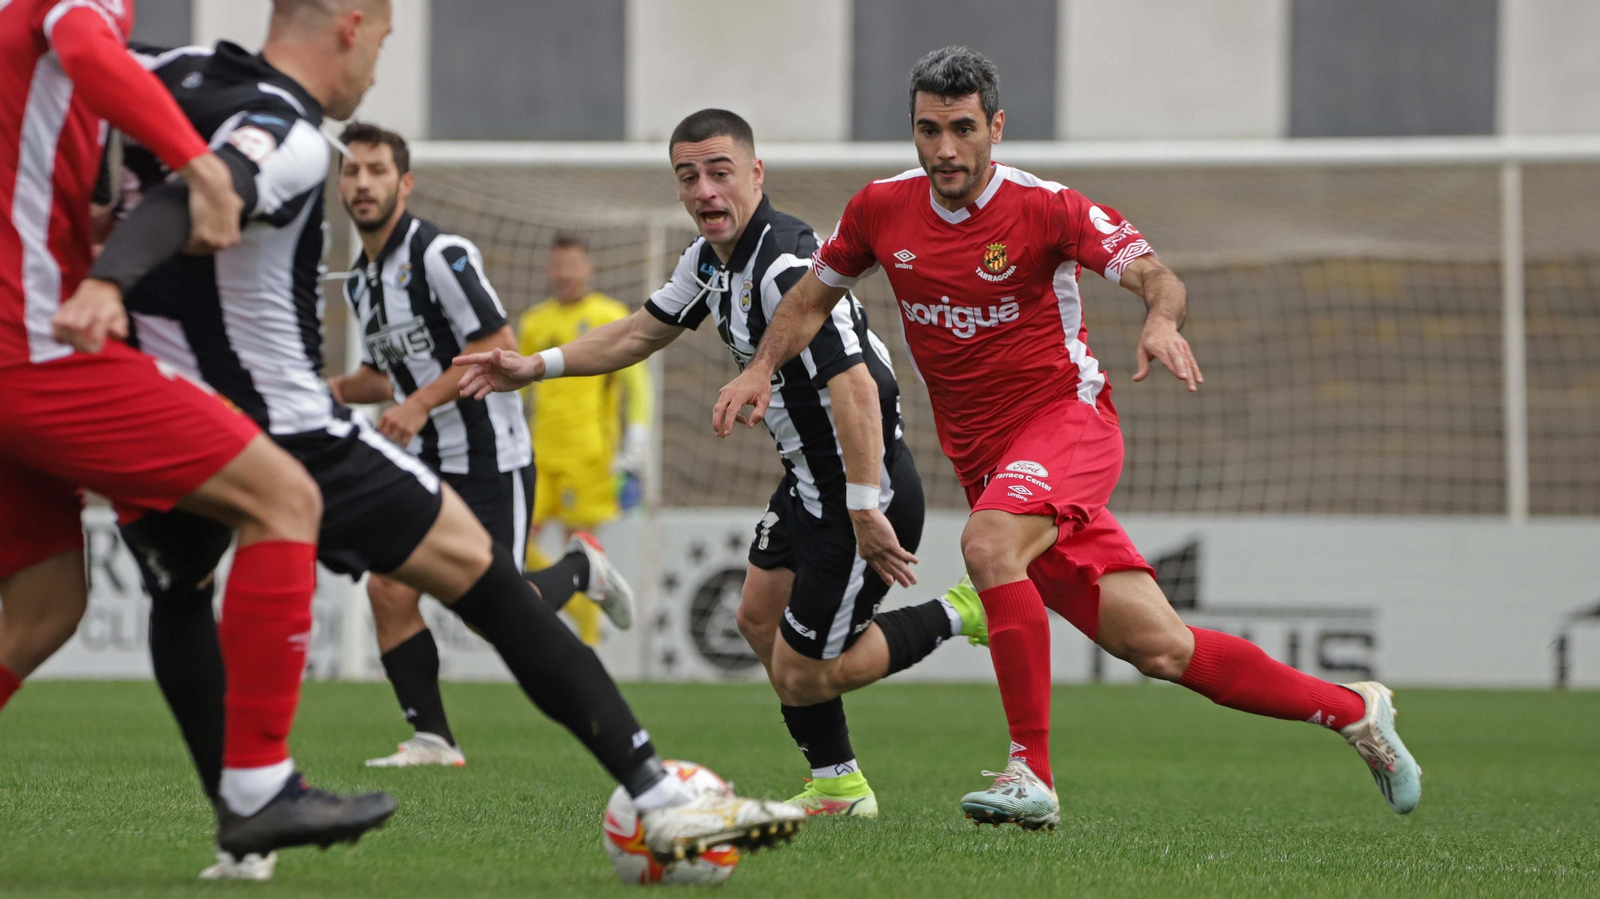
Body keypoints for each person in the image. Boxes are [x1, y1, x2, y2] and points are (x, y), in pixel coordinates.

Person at [84, 0, 803, 879]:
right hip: (278, 428)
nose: (378, 68)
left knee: (184, 590)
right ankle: (659, 797)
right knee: (489, 586)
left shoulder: (164, 76)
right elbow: (201, 192)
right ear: (351, 23)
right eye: (383, 40)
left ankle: (246, 816)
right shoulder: (290, 132)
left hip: (161, 421)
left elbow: (78, 123)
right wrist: (109, 279)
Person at [709, 47, 1422, 829]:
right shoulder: (881, 208)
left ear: (996, 127)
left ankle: (1031, 773)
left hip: (1067, 421)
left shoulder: (1048, 207)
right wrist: (759, 370)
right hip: (990, 461)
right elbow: (810, 300)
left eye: (962, 129)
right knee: (1162, 647)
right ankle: (1353, 709)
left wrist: (1158, 318)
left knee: (987, 546)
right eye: (928, 130)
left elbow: (1157, 274)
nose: (945, 149)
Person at [456, 108, 990, 817]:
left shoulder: (787, 264)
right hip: (808, 481)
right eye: (688, 176)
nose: (705, 191)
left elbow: (858, 387)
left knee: (805, 676)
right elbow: (640, 332)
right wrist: (536, 366)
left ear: (755, 174)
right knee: (755, 617)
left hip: (863, 489)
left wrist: (864, 505)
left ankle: (961, 612)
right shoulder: (710, 261)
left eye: (720, 172)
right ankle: (837, 780)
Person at [2, 0, 394, 868]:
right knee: (285, 494)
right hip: (30, 344)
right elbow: (82, 43)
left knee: (42, 612)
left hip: (21, 337)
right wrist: (200, 169)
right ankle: (258, 789)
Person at [329, 122, 633, 768]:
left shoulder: (440, 254)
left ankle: (582, 570)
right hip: (425, 460)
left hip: (491, 456)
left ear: (403, 183)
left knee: (486, 611)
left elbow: (495, 340)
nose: (363, 182)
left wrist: (417, 403)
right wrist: (325, 390)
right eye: (351, 170)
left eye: (377, 170)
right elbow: (384, 377)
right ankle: (432, 738)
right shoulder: (361, 281)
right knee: (387, 586)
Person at [517, 233, 649, 646]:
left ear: (588, 268)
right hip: (539, 455)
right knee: (512, 543)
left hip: (589, 456)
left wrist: (637, 437)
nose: (565, 274)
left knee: (581, 548)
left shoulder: (610, 315)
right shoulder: (533, 322)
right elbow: (518, 391)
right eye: (558, 265)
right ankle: (575, 608)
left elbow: (636, 384)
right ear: (548, 270)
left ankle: (589, 646)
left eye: (573, 265)